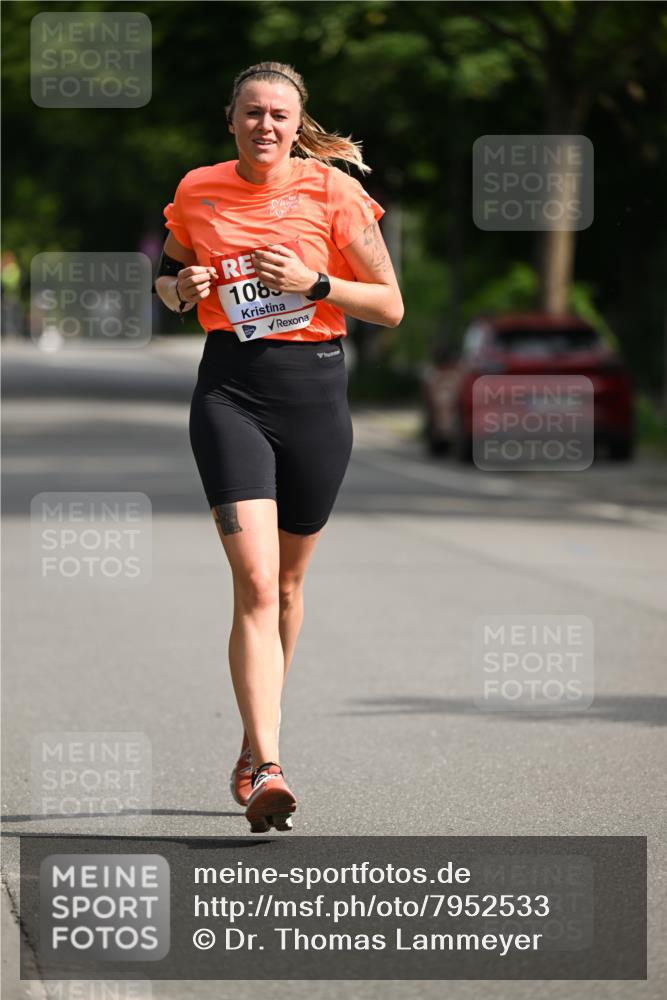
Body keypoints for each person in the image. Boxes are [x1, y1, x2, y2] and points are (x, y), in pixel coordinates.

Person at [154, 61, 403, 833]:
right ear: (230, 118)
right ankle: (270, 766)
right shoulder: (197, 190)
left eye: (280, 116)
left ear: (298, 126)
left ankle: (251, 741)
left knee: (289, 588)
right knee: (257, 582)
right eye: (253, 112)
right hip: (230, 390)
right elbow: (166, 280)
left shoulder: (332, 192)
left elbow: (390, 306)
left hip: (316, 396)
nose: (266, 126)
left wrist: (314, 283)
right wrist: (179, 291)